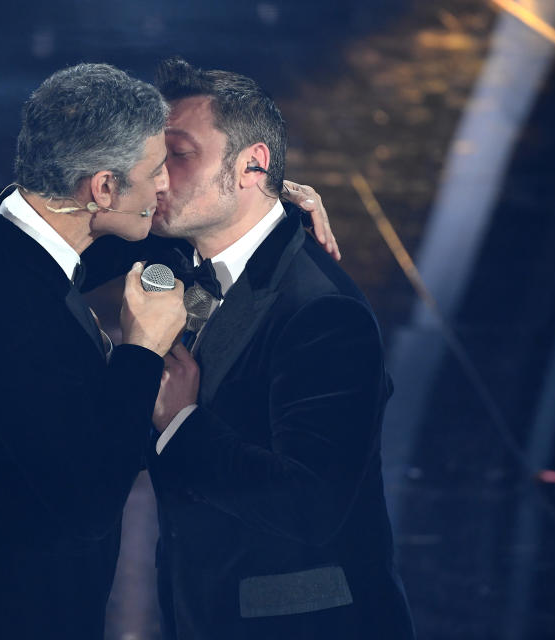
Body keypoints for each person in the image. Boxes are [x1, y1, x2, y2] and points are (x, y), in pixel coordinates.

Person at [0, 63, 188, 639]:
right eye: (154, 173)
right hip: (5, 616)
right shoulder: (18, 324)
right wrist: (143, 350)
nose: (165, 186)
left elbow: (72, 259)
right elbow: (89, 503)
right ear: (102, 187)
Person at [143, 58, 416, 639]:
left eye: (178, 153)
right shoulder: (180, 262)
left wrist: (181, 426)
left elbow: (311, 504)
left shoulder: (323, 312)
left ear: (252, 165)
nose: (156, 176)